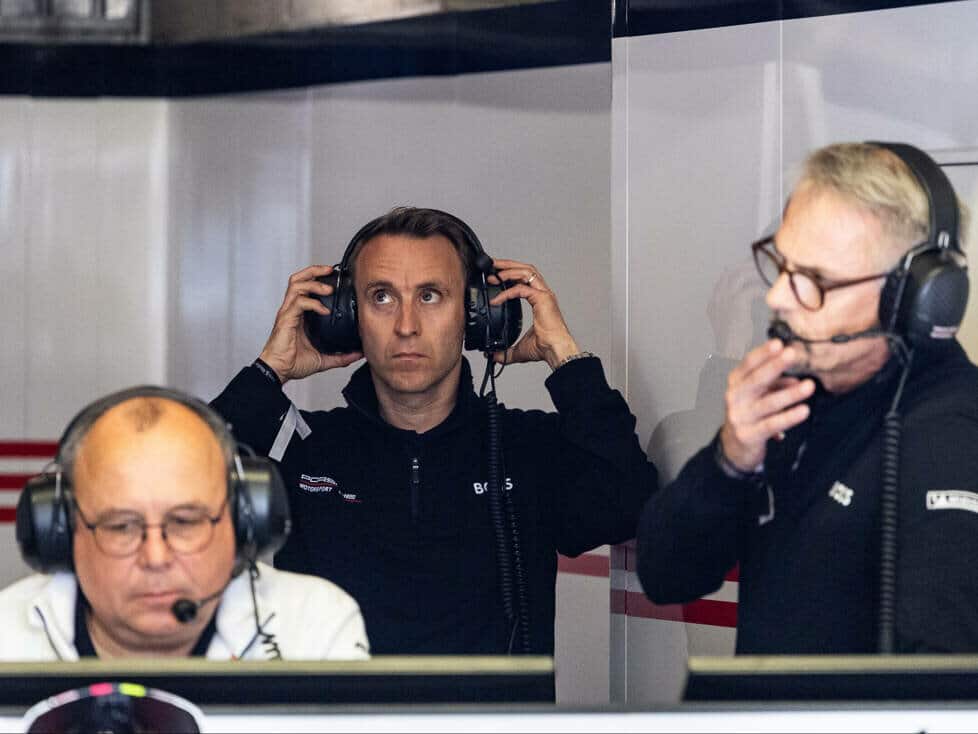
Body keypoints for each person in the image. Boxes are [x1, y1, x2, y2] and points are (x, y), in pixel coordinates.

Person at [211, 206, 656, 655]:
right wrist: (267, 373)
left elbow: (628, 506)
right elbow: (183, 493)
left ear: (475, 315)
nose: (406, 326)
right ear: (346, 318)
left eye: (430, 296)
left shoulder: (528, 448)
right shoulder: (303, 448)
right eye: (382, 297)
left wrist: (567, 360)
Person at [637, 142, 978, 654]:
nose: (776, 297)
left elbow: (942, 678)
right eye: (782, 265)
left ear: (913, 298)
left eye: (814, 279)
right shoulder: (794, 398)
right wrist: (729, 460)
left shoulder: (951, 435)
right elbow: (665, 575)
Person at [2, 386, 369, 661]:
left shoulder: (313, 627)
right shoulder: (8, 637)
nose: (156, 557)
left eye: (185, 522)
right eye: (122, 527)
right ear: (62, 530)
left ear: (243, 521)